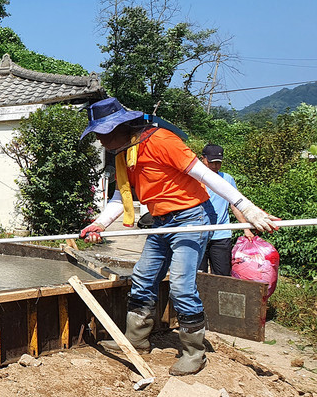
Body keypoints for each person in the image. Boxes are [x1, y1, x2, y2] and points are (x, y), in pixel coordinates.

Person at [78, 98, 278, 375]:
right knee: (143, 278)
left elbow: (206, 176)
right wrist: (99, 223)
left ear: (121, 127)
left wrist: (246, 206)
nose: (100, 141)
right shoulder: (126, 153)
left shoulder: (162, 141)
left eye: (103, 134)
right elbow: (119, 196)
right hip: (160, 221)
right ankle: (137, 339)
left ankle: (194, 353)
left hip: (190, 218)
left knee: (182, 285)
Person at [198, 144, 252, 275]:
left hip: (221, 235)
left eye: (218, 163)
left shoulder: (227, 179)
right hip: (198, 234)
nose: (215, 166)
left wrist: (246, 228)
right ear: (202, 159)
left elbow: (235, 205)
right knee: (198, 275)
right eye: (212, 162)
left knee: (222, 275)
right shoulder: (194, 179)